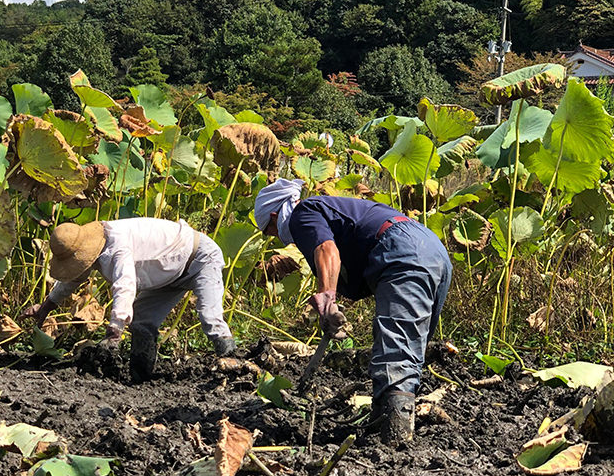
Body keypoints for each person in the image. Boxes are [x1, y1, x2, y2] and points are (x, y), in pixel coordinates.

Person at [254, 179, 452, 445]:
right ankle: (383, 419)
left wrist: (327, 294)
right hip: (430, 247)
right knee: (411, 346)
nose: (276, 238)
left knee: (398, 349)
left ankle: (395, 438)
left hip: (403, 250)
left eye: (270, 231)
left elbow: (327, 249)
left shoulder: (302, 214)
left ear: (276, 215)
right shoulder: (328, 210)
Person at [23, 217, 236, 382]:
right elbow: (73, 279)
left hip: (199, 258)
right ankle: (141, 378)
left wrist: (114, 332)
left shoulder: (116, 247)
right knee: (142, 322)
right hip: (169, 275)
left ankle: (236, 369)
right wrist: (46, 306)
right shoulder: (93, 248)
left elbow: (125, 286)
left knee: (210, 318)